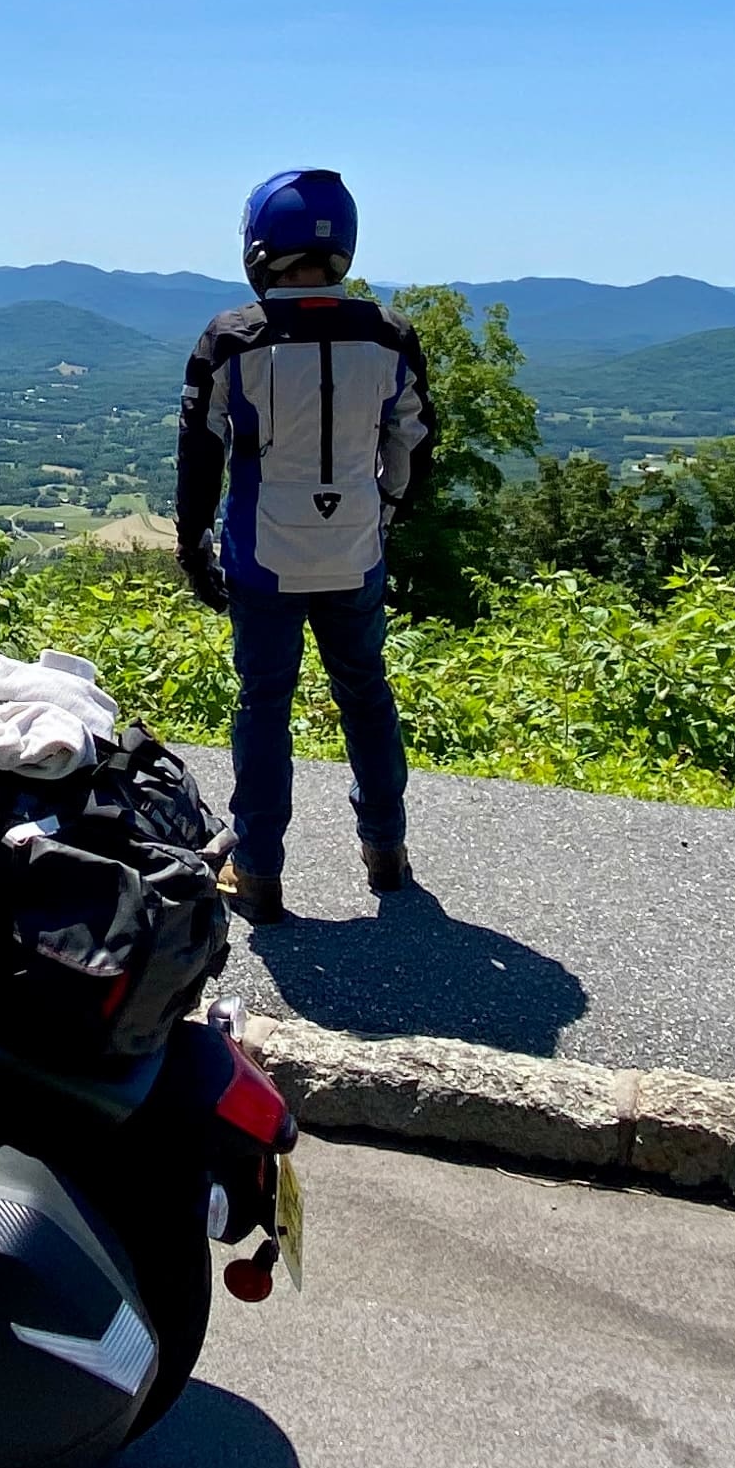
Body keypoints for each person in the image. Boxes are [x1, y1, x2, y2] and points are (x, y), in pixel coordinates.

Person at [175, 169, 432, 923]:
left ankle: (257, 872)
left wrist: (192, 546)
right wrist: (383, 511)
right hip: (355, 549)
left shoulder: (232, 338)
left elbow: (201, 454)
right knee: (366, 694)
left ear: (259, 245)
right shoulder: (388, 335)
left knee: (264, 704)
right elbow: (413, 441)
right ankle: (386, 853)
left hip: (263, 556)